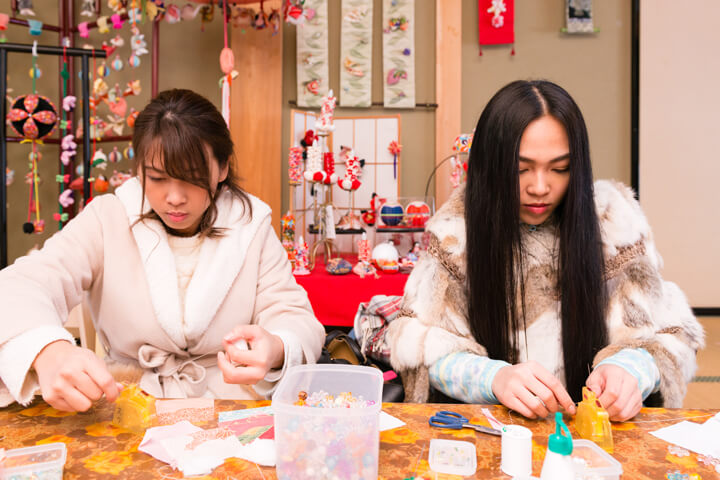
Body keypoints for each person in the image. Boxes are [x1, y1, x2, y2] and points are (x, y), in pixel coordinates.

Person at [387, 80, 704, 421]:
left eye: (560, 169)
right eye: (521, 169)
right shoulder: (457, 230)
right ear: (491, 166)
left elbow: (670, 335)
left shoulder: (614, 223)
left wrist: (631, 370)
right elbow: (419, 345)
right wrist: (493, 378)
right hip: (492, 438)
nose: (540, 187)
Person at [0, 89, 325, 412]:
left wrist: (277, 345)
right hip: (128, 404)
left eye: (192, 179)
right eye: (157, 178)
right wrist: (49, 350)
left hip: (229, 406)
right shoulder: (108, 217)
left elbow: (293, 315)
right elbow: (24, 284)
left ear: (222, 168)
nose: (174, 197)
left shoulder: (250, 224)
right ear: (140, 169)